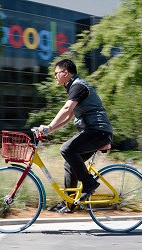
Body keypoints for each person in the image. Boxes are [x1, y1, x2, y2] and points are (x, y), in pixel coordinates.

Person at [39, 59, 113, 213]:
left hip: (98, 131)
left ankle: (89, 183)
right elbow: (67, 119)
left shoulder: (78, 86)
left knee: (66, 149)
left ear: (65, 73)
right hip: (94, 132)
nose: (55, 77)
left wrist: (49, 126)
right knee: (70, 164)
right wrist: (49, 131)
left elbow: (66, 109)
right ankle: (69, 202)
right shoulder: (74, 88)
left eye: (56, 74)